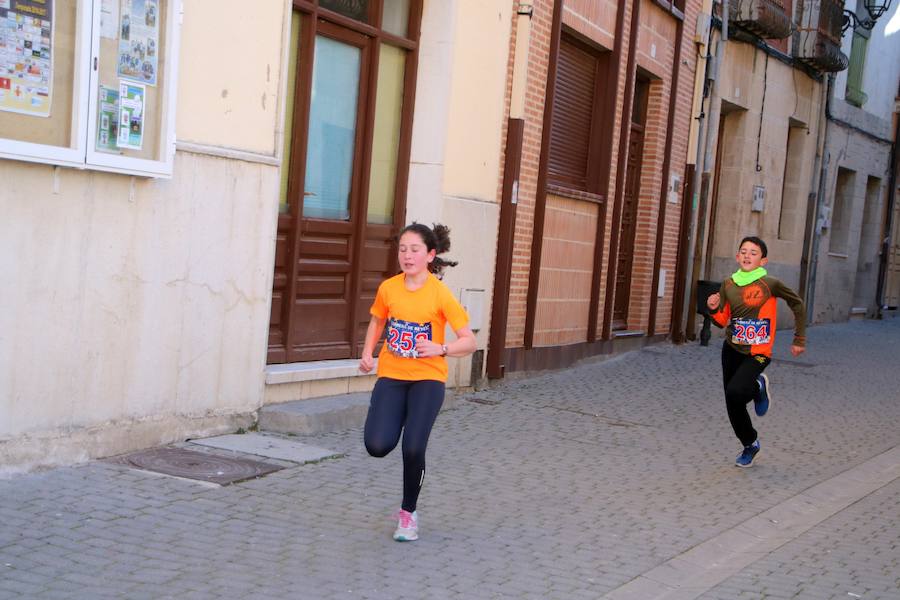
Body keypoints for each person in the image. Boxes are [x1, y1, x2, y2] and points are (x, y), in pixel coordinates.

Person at [359, 222, 476, 541]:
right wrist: (368, 352)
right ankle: (392, 424)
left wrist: (442, 348)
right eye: (402, 249)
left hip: (428, 379)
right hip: (392, 376)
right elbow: (377, 321)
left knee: (413, 447)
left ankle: (407, 514)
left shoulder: (440, 294)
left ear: (430, 255)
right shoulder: (389, 288)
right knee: (378, 445)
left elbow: (469, 341)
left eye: (414, 250)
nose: (407, 256)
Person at [706, 236, 806, 467]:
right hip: (731, 349)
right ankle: (750, 443)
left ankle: (758, 385)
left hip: (758, 350)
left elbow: (797, 303)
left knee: (737, 389)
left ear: (763, 260)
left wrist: (799, 338)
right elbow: (722, 321)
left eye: (753, 252)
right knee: (733, 400)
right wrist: (712, 308)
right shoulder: (728, 284)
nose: (747, 256)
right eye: (743, 251)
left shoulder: (769, 283)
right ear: (737, 256)